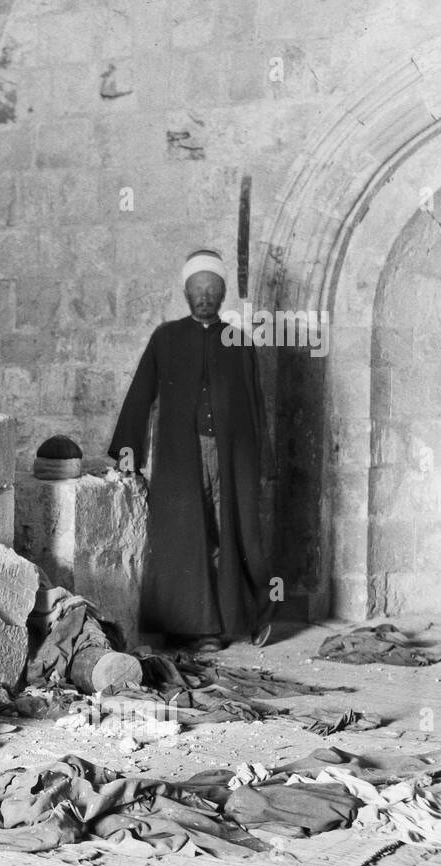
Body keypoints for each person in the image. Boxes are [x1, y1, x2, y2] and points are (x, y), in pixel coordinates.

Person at [108, 249, 274, 651]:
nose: (204, 295)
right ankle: (192, 627)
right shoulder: (166, 338)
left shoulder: (239, 342)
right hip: (181, 456)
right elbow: (141, 393)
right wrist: (128, 449)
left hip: (231, 456)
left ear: (222, 294)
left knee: (230, 529)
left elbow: (255, 405)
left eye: (212, 288)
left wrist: (264, 462)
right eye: (197, 289)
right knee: (186, 534)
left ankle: (229, 622)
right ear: (186, 292)